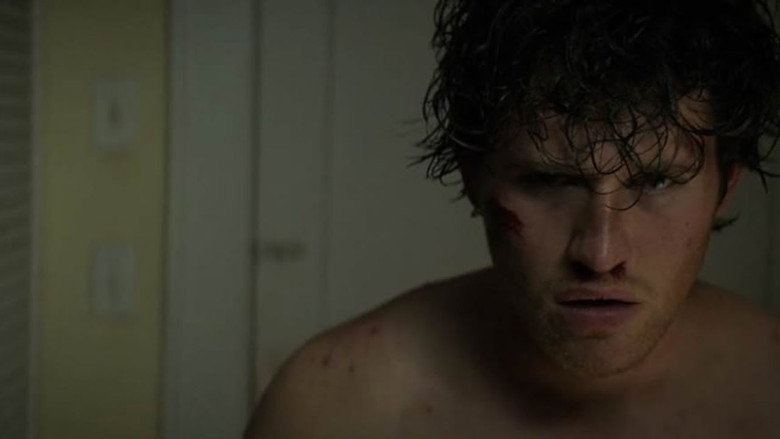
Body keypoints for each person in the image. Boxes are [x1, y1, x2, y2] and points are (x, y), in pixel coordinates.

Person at [245, 0, 780, 437]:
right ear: (473, 179)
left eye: (658, 182)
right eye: (548, 182)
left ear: (725, 188)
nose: (601, 254)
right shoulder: (336, 406)